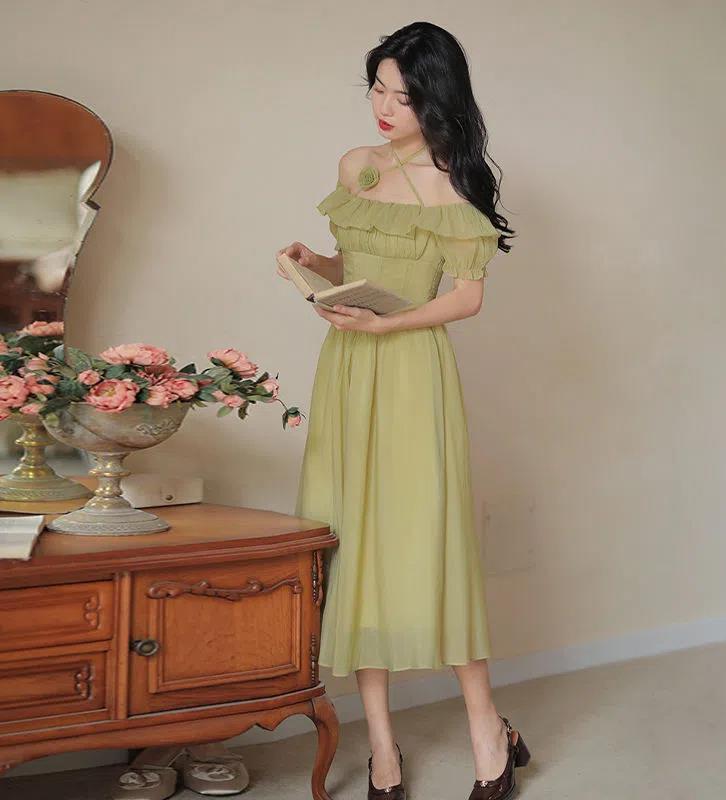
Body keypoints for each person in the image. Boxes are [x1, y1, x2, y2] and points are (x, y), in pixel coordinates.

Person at [277, 21, 530, 800]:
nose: (384, 108)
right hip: (347, 370)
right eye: (377, 90)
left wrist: (388, 325)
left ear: (436, 99)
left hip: (413, 374)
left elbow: (466, 297)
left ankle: (488, 731)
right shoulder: (356, 167)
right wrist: (313, 264)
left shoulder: (453, 183)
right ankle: (381, 749)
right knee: (353, 545)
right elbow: (356, 264)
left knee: (432, 544)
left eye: (403, 96)